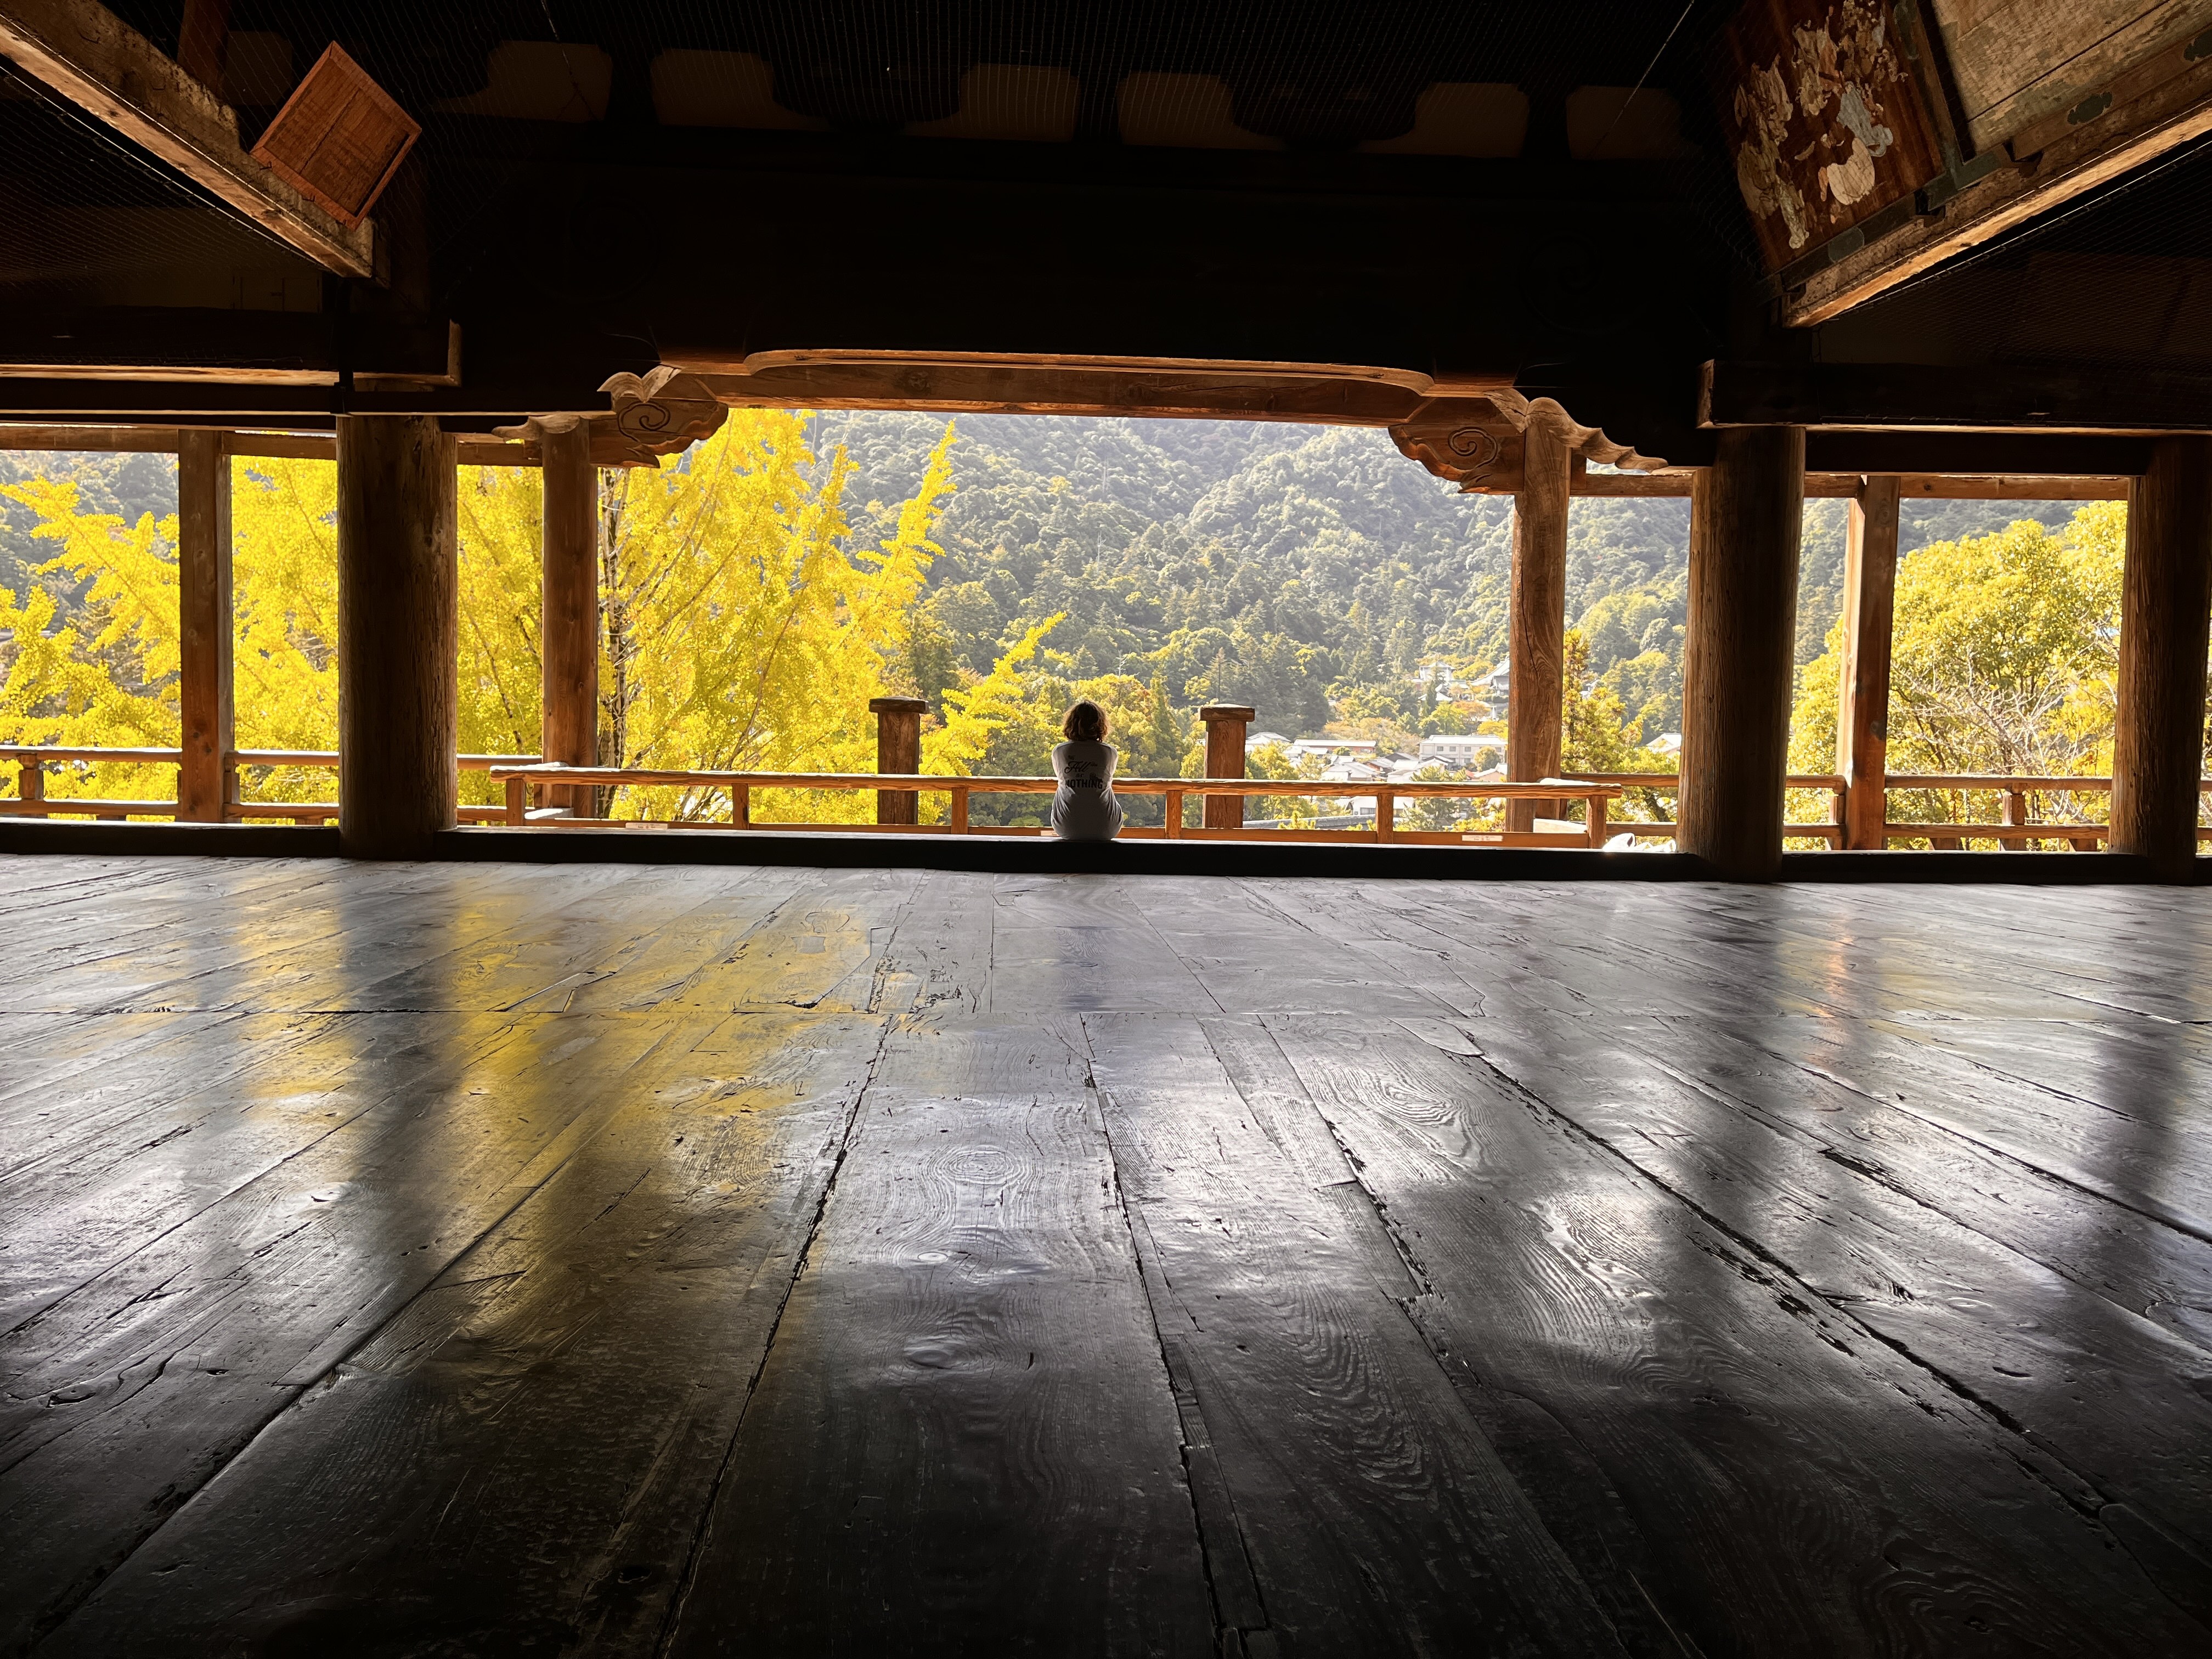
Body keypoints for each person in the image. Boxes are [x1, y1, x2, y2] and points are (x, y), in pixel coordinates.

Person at [1050, 699, 1122, 842]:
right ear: (1100, 725)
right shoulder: (1109, 752)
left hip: (1067, 826)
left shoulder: (1060, 751)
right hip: (1107, 827)